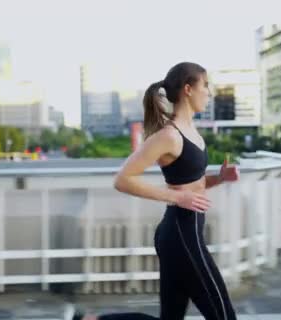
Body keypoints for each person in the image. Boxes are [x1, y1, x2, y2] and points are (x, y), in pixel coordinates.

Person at [65, 62, 240, 320]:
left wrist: (219, 179)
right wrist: (177, 197)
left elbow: (193, 184)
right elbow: (123, 179)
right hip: (181, 237)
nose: (209, 92)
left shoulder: (193, 133)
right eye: (206, 85)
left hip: (181, 235)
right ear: (189, 89)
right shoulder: (168, 135)